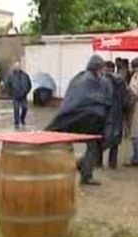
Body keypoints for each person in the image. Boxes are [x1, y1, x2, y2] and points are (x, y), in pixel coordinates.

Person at [46, 55, 112, 185]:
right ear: (97, 67)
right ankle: (85, 173)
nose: (103, 71)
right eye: (101, 68)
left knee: (95, 146)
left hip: (84, 119)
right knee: (94, 146)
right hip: (85, 121)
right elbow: (89, 99)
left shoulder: (81, 77)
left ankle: (82, 167)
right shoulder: (90, 80)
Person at [101, 61, 129, 169]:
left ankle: (98, 162)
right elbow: (125, 99)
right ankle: (113, 162)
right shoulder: (121, 81)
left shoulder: (101, 81)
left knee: (101, 137)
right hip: (117, 112)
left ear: (105, 69)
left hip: (105, 112)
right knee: (116, 138)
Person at [5, 61, 32, 129]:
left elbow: (29, 84)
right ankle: (16, 122)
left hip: (23, 95)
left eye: (19, 66)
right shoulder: (11, 76)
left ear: (20, 66)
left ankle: (22, 119)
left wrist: (26, 91)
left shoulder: (25, 75)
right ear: (14, 67)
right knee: (16, 109)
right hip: (15, 95)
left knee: (24, 108)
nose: (17, 67)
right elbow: (7, 85)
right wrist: (10, 93)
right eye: (16, 66)